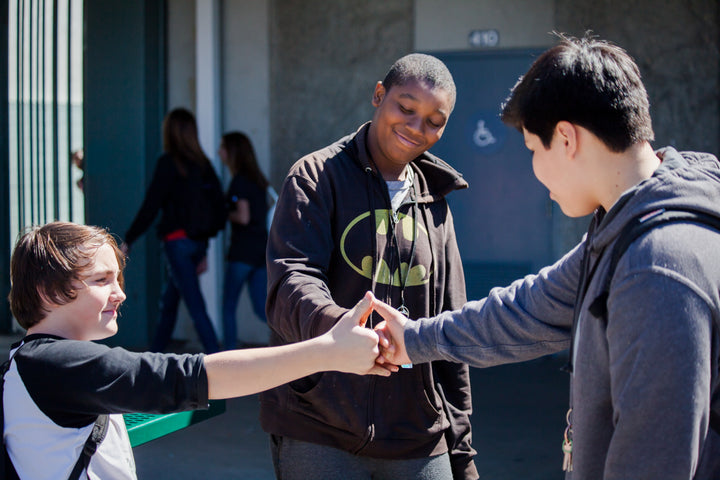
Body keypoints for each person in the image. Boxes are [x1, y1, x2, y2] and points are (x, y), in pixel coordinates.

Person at [373, 33, 720, 479]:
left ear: (567, 138)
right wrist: (414, 339)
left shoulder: (657, 267)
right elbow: (529, 309)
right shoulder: (632, 221)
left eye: (534, 151)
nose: (536, 171)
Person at [3, 221, 396, 480]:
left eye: (117, 278)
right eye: (101, 280)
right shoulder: (59, 363)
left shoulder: (31, 363)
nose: (120, 292)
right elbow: (192, 376)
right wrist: (328, 351)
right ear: (48, 291)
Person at [262, 53, 477, 479]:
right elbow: (291, 281)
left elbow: (450, 329)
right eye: (406, 107)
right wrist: (341, 331)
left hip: (418, 433)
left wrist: (462, 452)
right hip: (320, 425)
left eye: (435, 120)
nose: (417, 127)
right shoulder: (314, 177)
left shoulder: (435, 202)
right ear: (379, 95)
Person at [122, 108, 225, 353]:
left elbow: (151, 205)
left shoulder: (169, 164)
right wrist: (203, 249)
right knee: (169, 303)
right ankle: (154, 356)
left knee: (195, 306)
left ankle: (220, 361)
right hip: (196, 243)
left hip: (177, 244)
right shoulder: (204, 165)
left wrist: (129, 239)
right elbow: (216, 209)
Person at [218, 131, 269, 349]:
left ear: (232, 153)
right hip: (261, 251)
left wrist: (221, 211)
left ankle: (228, 355)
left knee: (228, 306)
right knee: (261, 307)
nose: (219, 152)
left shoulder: (239, 182)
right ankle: (293, 340)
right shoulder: (258, 180)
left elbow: (243, 216)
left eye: (223, 148)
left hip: (242, 253)